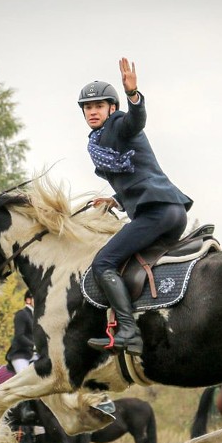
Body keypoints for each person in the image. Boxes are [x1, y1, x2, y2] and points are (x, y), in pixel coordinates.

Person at [79, 57, 193, 357]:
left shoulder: (118, 124)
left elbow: (135, 120)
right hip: (170, 211)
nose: (92, 111)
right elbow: (138, 175)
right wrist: (116, 200)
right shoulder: (100, 141)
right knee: (131, 263)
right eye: (88, 108)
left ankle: (128, 331)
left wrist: (134, 95)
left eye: (99, 106)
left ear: (111, 109)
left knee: (103, 263)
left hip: (158, 212)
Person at [6, 291, 35, 373]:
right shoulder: (22, 314)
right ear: (28, 300)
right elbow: (19, 336)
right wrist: (34, 346)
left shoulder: (35, 316)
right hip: (20, 355)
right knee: (25, 379)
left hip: (32, 354)